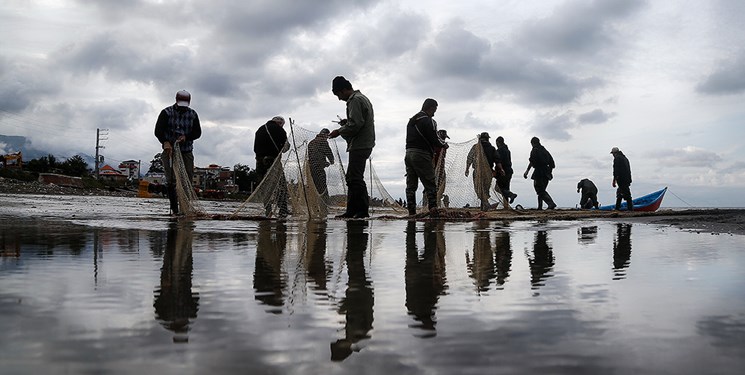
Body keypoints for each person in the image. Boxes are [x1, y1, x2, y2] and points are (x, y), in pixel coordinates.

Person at [329, 76, 375, 219]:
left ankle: (361, 211)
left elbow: (355, 124)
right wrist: (346, 122)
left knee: (355, 178)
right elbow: (357, 120)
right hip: (363, 143)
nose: (338, 98)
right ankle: (352, 211)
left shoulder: (355, 100)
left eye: (338, 94)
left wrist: (339, 131)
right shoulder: (361, 98)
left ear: (343, 90)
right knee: (352, 177)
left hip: (360, 144)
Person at [154, 90, 202, 215]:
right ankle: (174, 209)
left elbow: (198, 133)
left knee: (186, 180)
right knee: (171, 180)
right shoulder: (166, 113)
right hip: (170, 150)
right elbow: (158, 130)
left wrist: (187, 137)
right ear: (176, 100)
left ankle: (184, 208)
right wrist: (165, 142)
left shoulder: (193, 114)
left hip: (186, 151)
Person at [404, 98, 445, 216]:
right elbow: (434, 139)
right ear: (430, 108)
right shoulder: (429, 121)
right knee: (430, 183)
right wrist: (443, 144)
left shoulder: (412, 120)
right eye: (434, 109)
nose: (434, 113)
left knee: (411, 185)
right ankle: (433, 210)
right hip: (421, 154)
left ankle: (411, 213)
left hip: (408, 154)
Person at [254, 116, 290, 217]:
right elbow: (285, 147)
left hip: (259, 161)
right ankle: (282, 210)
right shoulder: (280, 131)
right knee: (281, 184)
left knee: (264, 186)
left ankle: (268, 210)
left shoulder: (260, 129)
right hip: (273, 160)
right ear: (280, 124)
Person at [465, 132, 505, 211]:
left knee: (479, 189)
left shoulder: (476, 147)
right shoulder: (491, 148)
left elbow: (469, 158)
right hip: (488, 173)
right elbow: (497, 160)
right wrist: (501, 169)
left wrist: (467, 169)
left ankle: (485, 205)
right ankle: (485, 205)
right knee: (485, 189)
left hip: (478, 172)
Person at [523, 136, 556, 210]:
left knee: (539, 189)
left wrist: (527, 171)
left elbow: (531, 162)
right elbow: (552, 164)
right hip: (546, 172)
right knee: (541, 190)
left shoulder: (535, 150)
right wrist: (549, 172)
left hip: (539, 171)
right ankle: (540, 207)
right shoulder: (545, 151)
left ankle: (551, 203)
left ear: (533, 143)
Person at [308, 128, 335, 203]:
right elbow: (328, 152)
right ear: (326, 135)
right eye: (327, 136)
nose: (327, 138)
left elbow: (313, 155)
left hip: (311, 167)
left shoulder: (311, 142)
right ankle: (324, 204)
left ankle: (314, 203)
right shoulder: (323, 142)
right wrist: (331, 161)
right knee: (322, 186)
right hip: (319, 167)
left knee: (314, 186)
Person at [495, 136, 517, 205]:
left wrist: (498, 170)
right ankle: (506, 205)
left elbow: (499, 161)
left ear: (498, 143)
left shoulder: (499, 151)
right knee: (506, 188)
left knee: (498, 188)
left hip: (503, 171)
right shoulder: (508, 151)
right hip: (509, 171)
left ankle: (511, 195)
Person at [433, 129, 450, 208]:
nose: (444, 139)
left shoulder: (443, 145)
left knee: (440, 186)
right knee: (433, 187)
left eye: (445, 138)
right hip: (434, 168)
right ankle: (431, 205)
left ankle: (437, 203)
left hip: (441, 168)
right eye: (443, 137)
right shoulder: (434, 143)